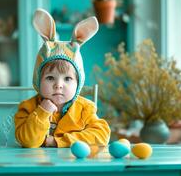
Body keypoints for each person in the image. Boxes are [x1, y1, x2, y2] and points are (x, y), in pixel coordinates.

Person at [14, 8, 110, 148]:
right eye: (50, 78)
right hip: (38, 167)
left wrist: (60, 141)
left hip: (72, 166)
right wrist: (42, 112)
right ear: (38, 80)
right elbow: (27, 141)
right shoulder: (28, 108)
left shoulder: (85, 109)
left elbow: (102, 136)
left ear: (78, 83)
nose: (58, 85)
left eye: (67, 79)